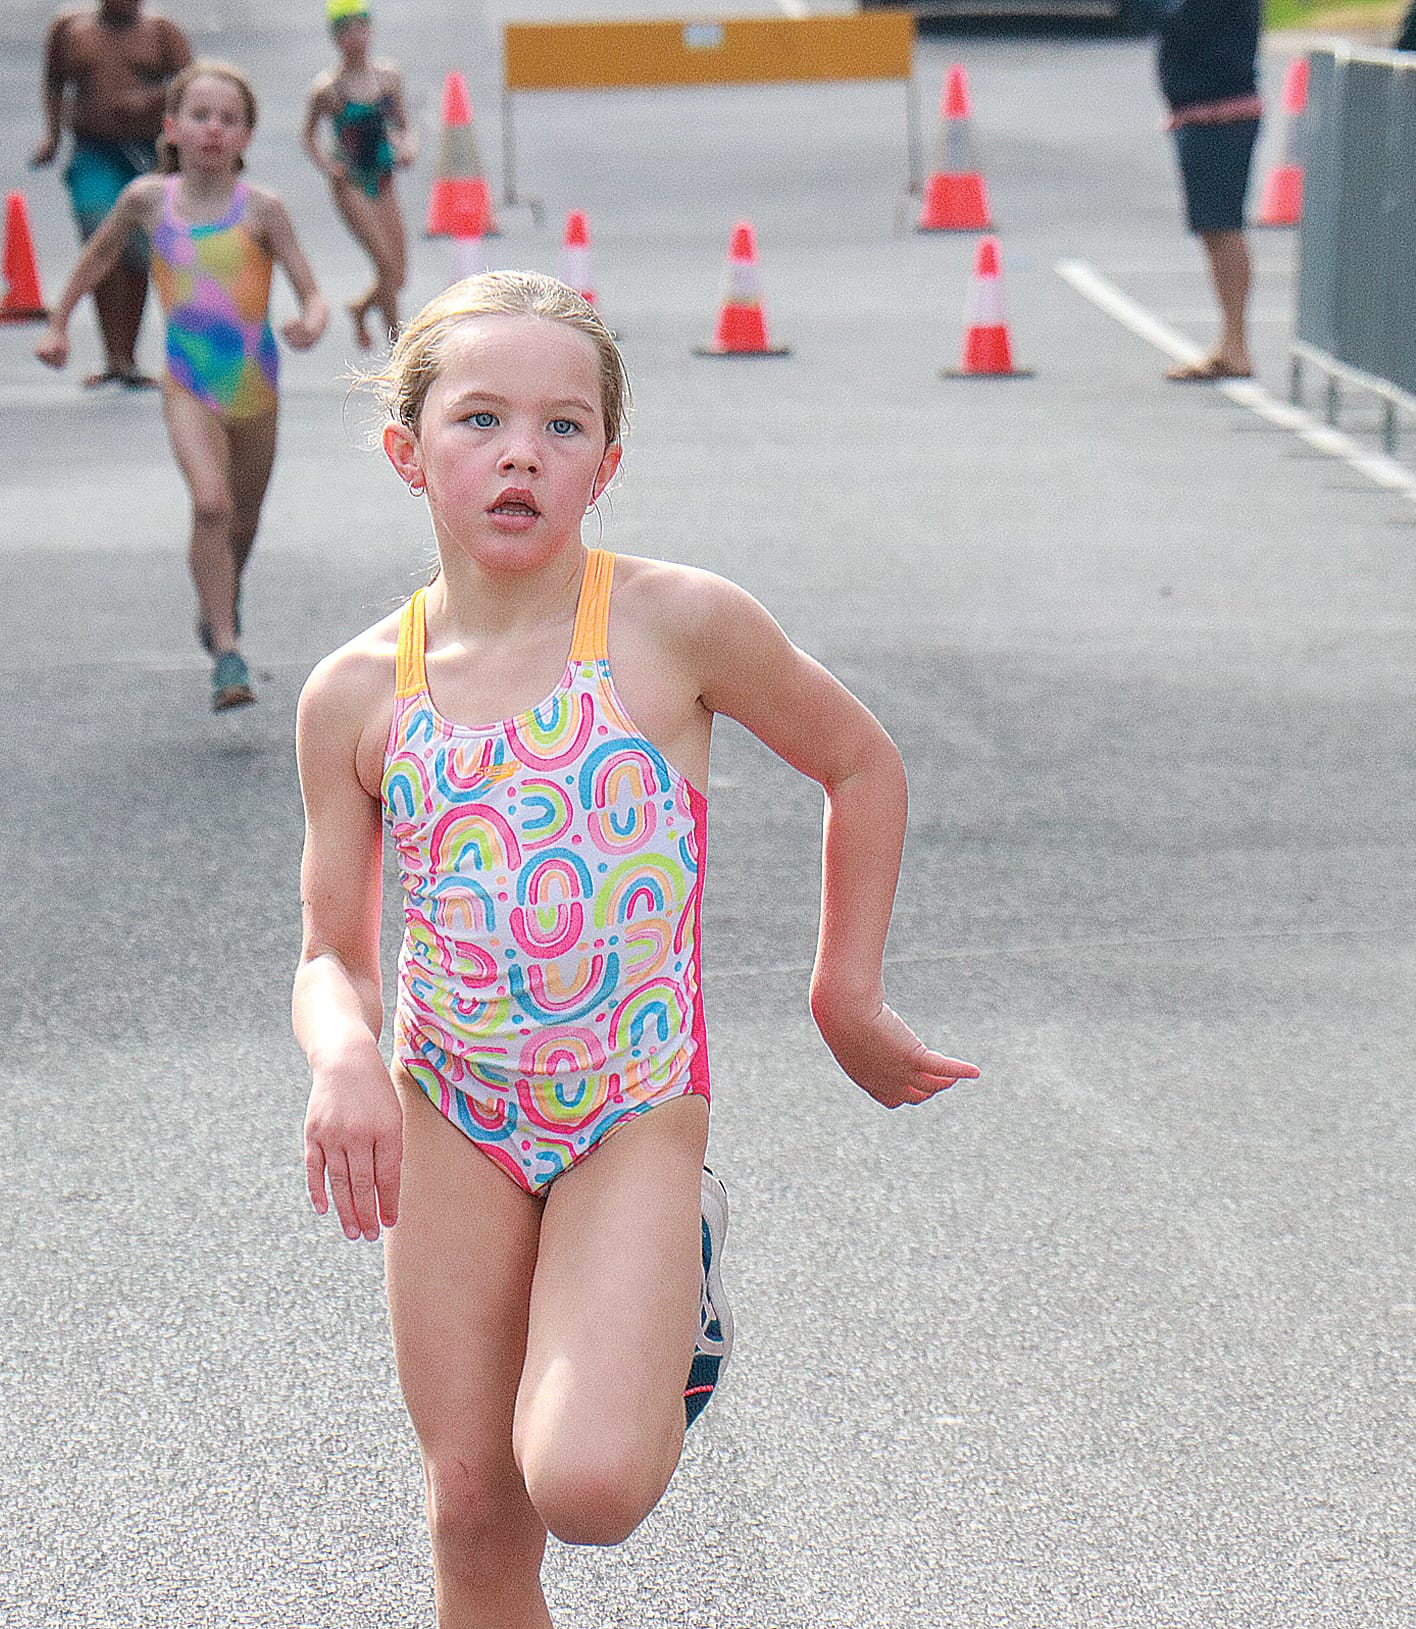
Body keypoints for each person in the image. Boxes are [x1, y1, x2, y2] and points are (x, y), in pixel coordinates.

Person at [291, 270, 980, 1626]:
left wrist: (843, 989)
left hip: (629, 1107)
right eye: (478, 419)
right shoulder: (360, 691)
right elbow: (330, 951)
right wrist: (342, 1057)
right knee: (476, 1510)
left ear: (605, 464)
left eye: (559, 428)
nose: (517, 455)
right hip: (450, 1114)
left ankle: (677, 1281)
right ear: (407, 450)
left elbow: (861, 764)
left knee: (588, 1488)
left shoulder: (675, 628)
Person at [36, 63, 330, 712]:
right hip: (188, 386)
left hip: (256, 389)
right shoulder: (146, 200)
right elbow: (97, 258)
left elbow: (311, 293)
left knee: (244, 520)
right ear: (171, 128)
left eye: (228, 119)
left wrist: (309, 323)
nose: (213, 130)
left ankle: (224, 593)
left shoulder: (264, 210)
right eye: (199, 116)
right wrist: (58, 324)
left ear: (246, 134)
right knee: (209, 505)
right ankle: (227, 651)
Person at [33, 0, 192, 389]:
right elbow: (54, 80)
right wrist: (53, 134)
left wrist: (150, 100)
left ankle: (126, 357)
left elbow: (192, 86)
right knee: (100, 235)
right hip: (93, 149)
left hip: (147, 152)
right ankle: (113, 355)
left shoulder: (161, 32)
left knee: (138, 250)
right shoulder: (71, 30)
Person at [1154, 0, 1264, 383]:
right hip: (1206, 108)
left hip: (1219, 111)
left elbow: (1182, 20)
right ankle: (1231, 343)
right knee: (1214, 228)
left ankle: (1235, 345)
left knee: (1221, 225)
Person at [300, 0, 415, 350]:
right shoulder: (328, 89)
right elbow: (308, 134)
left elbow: (401, 124)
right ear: (335, 38)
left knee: (399, 272)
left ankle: (361, 309)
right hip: (350, 182)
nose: (355, 38)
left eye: (360, 28)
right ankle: (397, 341)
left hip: (382, 177)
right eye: (345, 30)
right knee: (384, 264)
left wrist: (407, 146)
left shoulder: (388, 77)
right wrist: (326, 165)